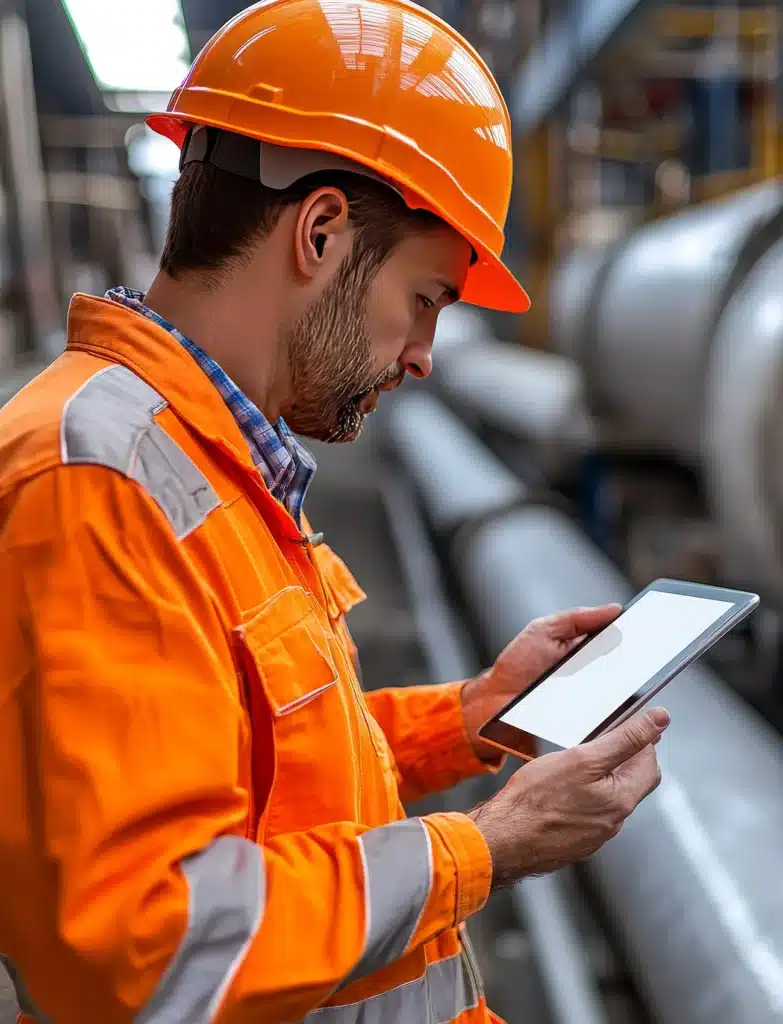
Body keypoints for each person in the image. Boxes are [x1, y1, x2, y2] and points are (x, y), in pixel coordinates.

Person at [0, 1, 669, 1021]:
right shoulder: (96, 480)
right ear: (319, 232)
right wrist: (483, 846)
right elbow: (145, 941)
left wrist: (471, 718)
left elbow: (262, 778)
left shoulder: (202, 459)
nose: (423, 355)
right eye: (426, 299)